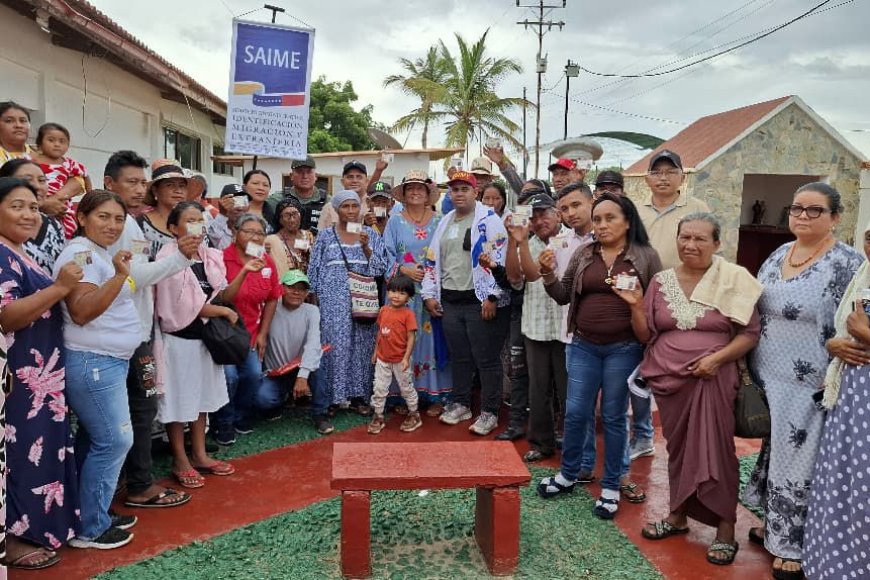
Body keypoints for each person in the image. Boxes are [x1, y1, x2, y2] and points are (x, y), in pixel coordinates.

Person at [743, 182, 863, 580]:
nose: (804, 217)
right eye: (798, 209)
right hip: (770, 376)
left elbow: (856, 316)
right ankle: (775, 527)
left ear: (835, 218)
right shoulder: (780, 253)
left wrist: (843, 345)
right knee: (776, 453)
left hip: (809, 379)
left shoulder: (847, 262)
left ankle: (791, 545)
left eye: (815, 211)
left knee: (801, 459)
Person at [633, 213, 761, 566]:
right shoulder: (660, 282)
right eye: (684, 237)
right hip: (668, 380)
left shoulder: (733, 279)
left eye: (700, 239)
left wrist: (717, 360)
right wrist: (632, 305)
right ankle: (677, 516)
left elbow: (749, 333)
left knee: (717, 450)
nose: (690, 245)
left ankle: (724, 528)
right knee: (679, 450)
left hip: (713, 379)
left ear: (717, 244)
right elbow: (646, 334)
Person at [537, 192, 661, 520]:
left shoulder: (645, 256)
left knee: (614, 416)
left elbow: (656, 307)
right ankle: (568, 474)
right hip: (583, 345)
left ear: (628, 222)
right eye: (598, 219)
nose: (602, 225)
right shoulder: (584, 253)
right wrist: (547, 273)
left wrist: (636, 305)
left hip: (625, 348)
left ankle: (610, 486)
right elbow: (563, 295)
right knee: (576, 413)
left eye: (610, 218)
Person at [104, 149, 196, 509]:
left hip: (137, 332)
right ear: (109, 183)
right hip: (119, 335)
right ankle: (130, 488)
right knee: (128, 414)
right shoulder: (115, 222)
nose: (140, 189)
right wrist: (179, 259)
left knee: (140, 410)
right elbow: (134, 277)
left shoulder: (131, 222)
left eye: (143, 182)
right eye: (133, 182)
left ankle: (136, 483)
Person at [0, 177, 81, 568]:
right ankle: (13, 538)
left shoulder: (21, 251)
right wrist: (61, 287)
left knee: (40, 453)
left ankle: (38, 527)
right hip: (17, 378)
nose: (29, 214)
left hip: (42, 379)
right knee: (17, 455)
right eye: (17, 205)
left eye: (33, 207)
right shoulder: (1, 254)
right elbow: (6, 316)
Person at [55, 190, 139, 549]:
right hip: (94, 362)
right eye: (103, 216)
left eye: (118, 218)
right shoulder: (81, 252)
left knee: (94, 442)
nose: (112, 224)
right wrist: (120, 276)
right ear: (82, 217)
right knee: (115, 440)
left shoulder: (98, 254)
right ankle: (91, 527)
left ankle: (92, 512)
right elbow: (82, 310)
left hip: (106, 361)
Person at [631, 150, 710, 462]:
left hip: (682, 303)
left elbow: (710, 254)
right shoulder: (636, 211)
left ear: (682, 176)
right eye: (657, 172)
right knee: (640, 370)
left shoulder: (697, 208)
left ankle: (688, 436)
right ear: (648, 177)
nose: (663, 178)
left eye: (670, 171)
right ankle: (643, 435)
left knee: (682, 372)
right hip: (641, 301)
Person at [154, 202, 236, 489]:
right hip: (178, 342)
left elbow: (220, 293)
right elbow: (183, 306)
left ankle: (199, 454)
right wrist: (223, 312)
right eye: (189, 221)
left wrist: (222, 305)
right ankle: (180, 459)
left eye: (200, 221)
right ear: (174, 228)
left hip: (206, 341)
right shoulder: (167, 258)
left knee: (201, 400)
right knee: (177, 402)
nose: (196, 227)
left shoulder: (209, 256)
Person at [422, 171, 511, 436]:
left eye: (464, 189)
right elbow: (432, 258)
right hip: (451, 298)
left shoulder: (490, 220)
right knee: (460, 357)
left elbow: (500, 257)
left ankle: (490, 411)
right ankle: (461, 403)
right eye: (455, 190)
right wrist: (429, 294)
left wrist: (493, 296)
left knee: (486, 358)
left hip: (479, 299)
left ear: (476, 192)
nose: (459, 194)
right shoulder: (446, 221)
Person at [805, 220, 870, 578]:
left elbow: (860, 331)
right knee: (844, 484)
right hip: (851, 399)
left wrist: (866, 335)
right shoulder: (864, 275)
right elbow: (842, 332)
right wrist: (835, 344)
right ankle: (833, 567)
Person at [308, 190, 387, 414]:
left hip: (363, 299)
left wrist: (365, 248)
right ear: (336, 209)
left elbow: (380, 268)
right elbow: (313, 269)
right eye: (346, 206)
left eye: (354, 206)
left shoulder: (370, 234)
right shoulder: (325, 236)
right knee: (334, 347)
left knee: (362, 347)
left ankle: (359, 397)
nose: (351, 211)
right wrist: (314, 300)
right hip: (332, 301)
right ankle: (332, 398)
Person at [505, 193, 568, 461]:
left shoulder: (570, 240)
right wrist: (513, 241)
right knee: (538, 389)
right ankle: (542, 443)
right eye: (534, 215)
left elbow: (540, 276)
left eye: (545, 214)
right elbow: (515, 278)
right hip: (535, 326)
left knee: (569, 391)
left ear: (557, 214)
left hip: (568, 328)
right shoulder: (526, 242)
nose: (540, 220)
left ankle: (573, 442)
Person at [383, 170, 451, 415]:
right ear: (403, 193)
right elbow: (385, 254)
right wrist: (404, 269)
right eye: (410, 188)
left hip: (432, 292)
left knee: (432, 342)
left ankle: (435, 395)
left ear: (427, 194)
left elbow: (446, 252)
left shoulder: (440, 220)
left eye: (420, 188)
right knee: (401, 341)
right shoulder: (394, 221)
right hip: (403, 293)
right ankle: (402, 396)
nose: (415, 192)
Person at [212, 214, 282, 445]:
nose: (255, 237)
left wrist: (263, 333)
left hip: (250, 334)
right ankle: (224, 422)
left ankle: (241, 417)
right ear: (235, 232)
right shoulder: (221, 259)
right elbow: (223, 297)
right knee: (229, 377)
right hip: (224, 334)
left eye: (260, 233)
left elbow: (272, 298)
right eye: (249, 231)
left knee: (252, 375)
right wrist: (244, 271)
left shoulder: (267, 261)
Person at [259, 270, 332, 434]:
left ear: (307, 293)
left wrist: (303, 375)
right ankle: (279, 402)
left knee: (317, 363)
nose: (296, 292)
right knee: (263, 399)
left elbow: (314, 343)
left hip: (301, 367)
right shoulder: (270, 307)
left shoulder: (312, 311)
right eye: (291, 287)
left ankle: (320, 414)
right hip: (276, 372)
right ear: (281, 288)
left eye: (302, 289)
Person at [368, 275, 422, 434]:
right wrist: (375, 352)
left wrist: (406, 358)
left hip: (400, 360)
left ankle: (414, 413)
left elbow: (412, 337)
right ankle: (378, 416)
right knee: (379, 387)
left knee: (406, 387)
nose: (395, 296)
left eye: (401, 293)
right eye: (392, 291)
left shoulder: (408, 314)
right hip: (382, 359)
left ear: (409, 297)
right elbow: (380, 333)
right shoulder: (383, 310)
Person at [0, 159, 65, 272]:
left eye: (42, 180)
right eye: (27, 180)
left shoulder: (54, 224)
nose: (37, 186)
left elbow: (69, 261)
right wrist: (59, 288)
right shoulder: (6, 231)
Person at [32, 122, 92, 238]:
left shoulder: (69, 163)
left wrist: (90, 199)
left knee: (69, 235)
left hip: (63, 211)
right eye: (51, 140)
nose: (57, 144)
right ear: (40, 143)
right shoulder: (31, 161)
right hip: (37, 207)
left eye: (62, 141)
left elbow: (85, 175)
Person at [139, 164, 192, 257]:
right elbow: (138, 259)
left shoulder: (195, 221)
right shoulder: (141, 225)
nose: (178, 190)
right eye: (170, 185)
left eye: (182, 186)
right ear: (155, 191)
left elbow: (205, 250)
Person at [266, 157, 327, 236]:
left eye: (309, 172)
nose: (304, 176)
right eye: (299, 172)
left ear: (316, 176)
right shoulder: (276, 200)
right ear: (291, 176)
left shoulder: (329, 202)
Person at [264, 197, 315, 277]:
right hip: (284, 286)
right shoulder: (272, 241)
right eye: (286, 215)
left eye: (295, 214)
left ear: (300, 216)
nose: (292, 220)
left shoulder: (309, 236)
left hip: (308, 286)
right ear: (280, 219)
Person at [208, 183, 246, 250]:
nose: (239, 207)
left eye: (242, 201)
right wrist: (223, 214)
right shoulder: (215, 227)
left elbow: (257, 252)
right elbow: (216, 242)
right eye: (233, 202)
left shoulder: (251, 225)